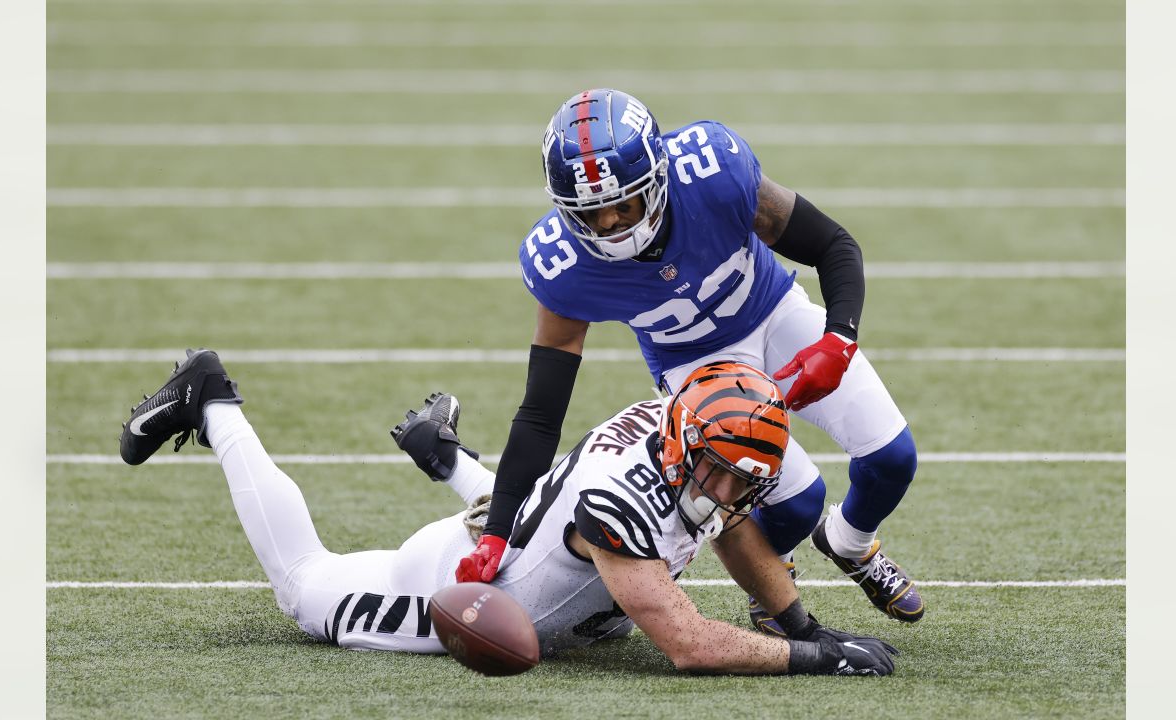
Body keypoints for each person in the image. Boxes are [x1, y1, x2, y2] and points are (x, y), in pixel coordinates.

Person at [118, 349, 898, 676]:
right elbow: (688, 643)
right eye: (721, 474)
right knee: (301, 584)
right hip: (454, 588)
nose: (729, 494)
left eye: (742, 479)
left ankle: (447, 455)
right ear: (688, 443)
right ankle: (211, 400)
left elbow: (728, 525)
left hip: (542, 546)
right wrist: (812, 661)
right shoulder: (627, 499)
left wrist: (800, 623)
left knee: (580, 566)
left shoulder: (677, 434)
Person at [459, 88, 923, 627]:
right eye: (590, 212)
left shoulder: (712, 172)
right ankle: (771, 584)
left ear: (656, 179)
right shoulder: (564, 264)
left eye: (621, 203)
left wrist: (838, 339)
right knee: (797, 501)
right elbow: (541, 411)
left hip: (774, 311)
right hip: (695, 367)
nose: (609, 223)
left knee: (893, 459)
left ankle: (849, 543)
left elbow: (834, 245)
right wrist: (497, 531)